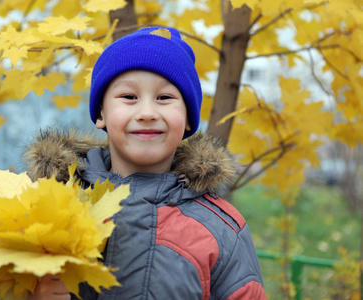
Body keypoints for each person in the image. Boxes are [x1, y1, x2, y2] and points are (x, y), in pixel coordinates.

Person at [24, 26, 266, 300]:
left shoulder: (220, 230)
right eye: (129, 97)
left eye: (165, 98)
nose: (147, 113)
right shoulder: (46, 207)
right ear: (101, 114)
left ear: (188, 119)